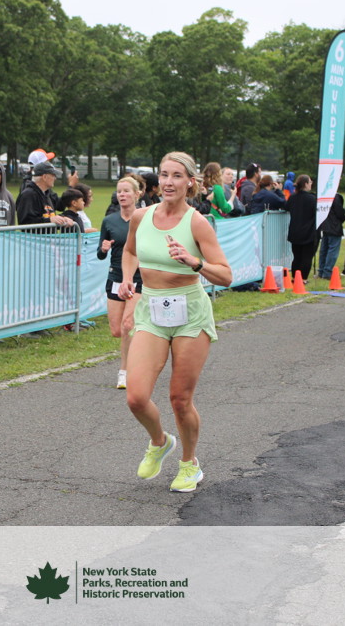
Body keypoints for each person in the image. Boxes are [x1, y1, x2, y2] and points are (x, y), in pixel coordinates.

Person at [119, 151, 232, 493]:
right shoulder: (141, 217)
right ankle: (159, 441)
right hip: (152, 310)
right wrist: (128, 278)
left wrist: (194, 262)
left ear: (190, 183)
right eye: (164, 174)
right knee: (136, 397)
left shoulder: (196, 223)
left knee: (180, 399)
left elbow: (225, 275)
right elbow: (130, 251)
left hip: (189, 314)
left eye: (177, 176)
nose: (168, 182)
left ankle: (189, 463)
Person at [98, 177, 143, 389]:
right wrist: (103, 249)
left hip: (138, 278)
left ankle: (125, 371)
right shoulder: (109, 221)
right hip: (115, 276)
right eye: (119, 191)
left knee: (127, 325)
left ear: (137, 194)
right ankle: (145, 340)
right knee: (117, 330)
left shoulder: (144, 218)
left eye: (126, 191)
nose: (122, 195)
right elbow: (100, 254)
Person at [15, 160, 74, 228]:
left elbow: (58, 207)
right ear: (44, 177)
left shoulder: (47, 194)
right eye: (53, 175)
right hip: (34, 235)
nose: (55, 178)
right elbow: (26, 223)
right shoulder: (28, 195)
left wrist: (63, 219)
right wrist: (49, 220)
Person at [286, 174, 317, 282]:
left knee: (297, 256)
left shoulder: (292, 197)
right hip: (308, 232)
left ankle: (295, 277)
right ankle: (303, 278)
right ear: (306, 184)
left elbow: (286, 207)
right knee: (306, 257)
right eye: (310, 182)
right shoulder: (312, 199)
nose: (311, 184)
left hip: (295, 231)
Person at [316, 189, 345, 279]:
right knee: (333, 250)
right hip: (334, 226)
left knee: (324, 249)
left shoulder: (323, 196)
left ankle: (321, 270)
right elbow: (340, 213)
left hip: (325, 225)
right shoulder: (335, 197)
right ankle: (327, 271)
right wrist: (344, 217)